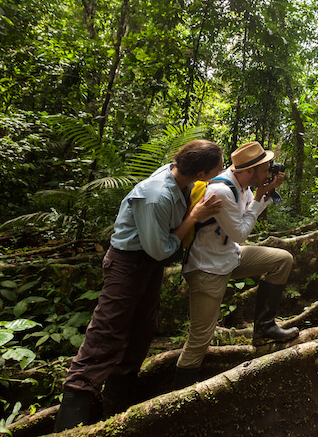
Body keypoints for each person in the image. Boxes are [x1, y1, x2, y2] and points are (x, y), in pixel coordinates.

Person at [54, 140, 225, 432]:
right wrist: (194, 217)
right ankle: (71, 421)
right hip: (128, 264)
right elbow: (161, 248)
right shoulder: (156, 195)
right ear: (201, 172)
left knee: (141, 332)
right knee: (106, 335)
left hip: (148, 267)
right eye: (218, 167)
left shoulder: (181, 180)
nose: (222, 171)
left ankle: (118, 411)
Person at [175, 141, 299, 385]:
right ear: (249, 170)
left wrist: (264, 193)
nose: (269, 172)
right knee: (200, 339)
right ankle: (178, 396)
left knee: (282, 260)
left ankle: (264, 328)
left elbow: (246, 217)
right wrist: (260, 198)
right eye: (265, 169)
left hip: (229, 256)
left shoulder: (243, 186)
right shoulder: (221, 190)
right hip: (207, 268)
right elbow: (241, 232)